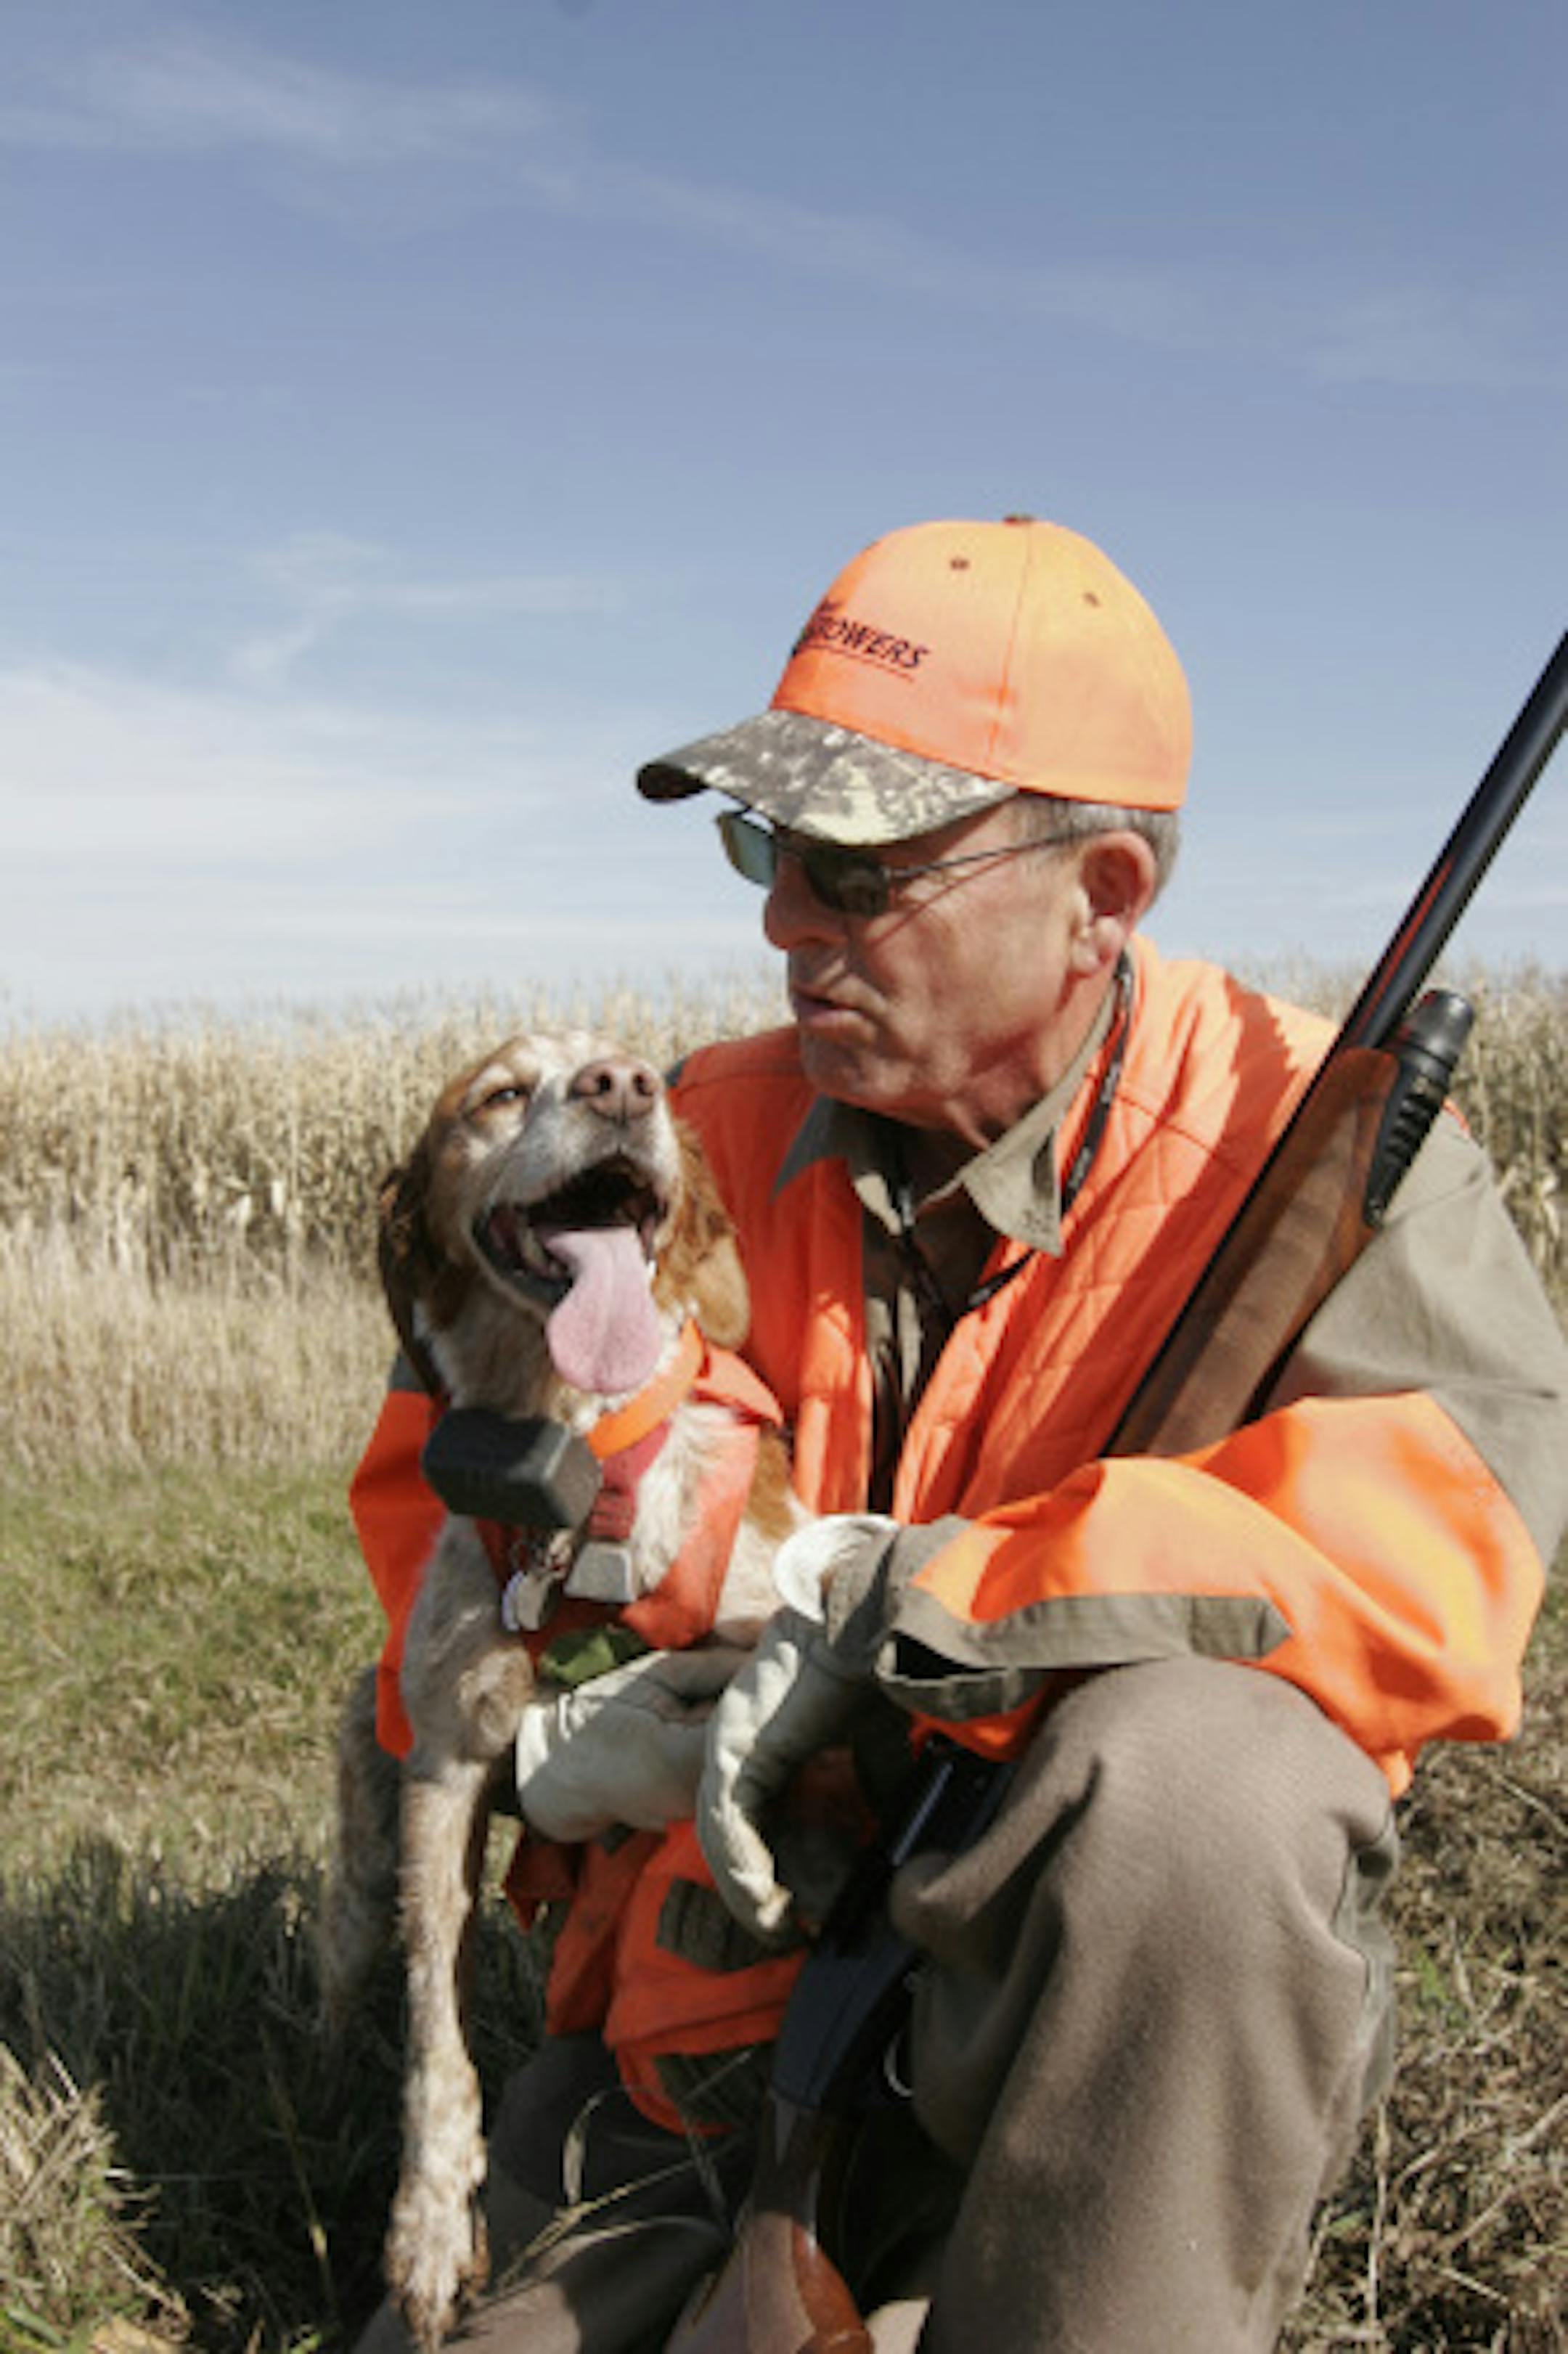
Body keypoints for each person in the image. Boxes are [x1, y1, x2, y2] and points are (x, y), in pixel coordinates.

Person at [349, 515, 1568, 2353]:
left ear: (1101, 890)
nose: (781, 918)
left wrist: (889, 1593)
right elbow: (440, 1453)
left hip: (1065, 2040)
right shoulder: (702, 1129)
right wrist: (533, 1722)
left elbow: (1432, 1573)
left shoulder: (1333, 1163)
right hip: (716, 2016)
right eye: (770, 850)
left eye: (858, 866)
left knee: (1213, 1778)